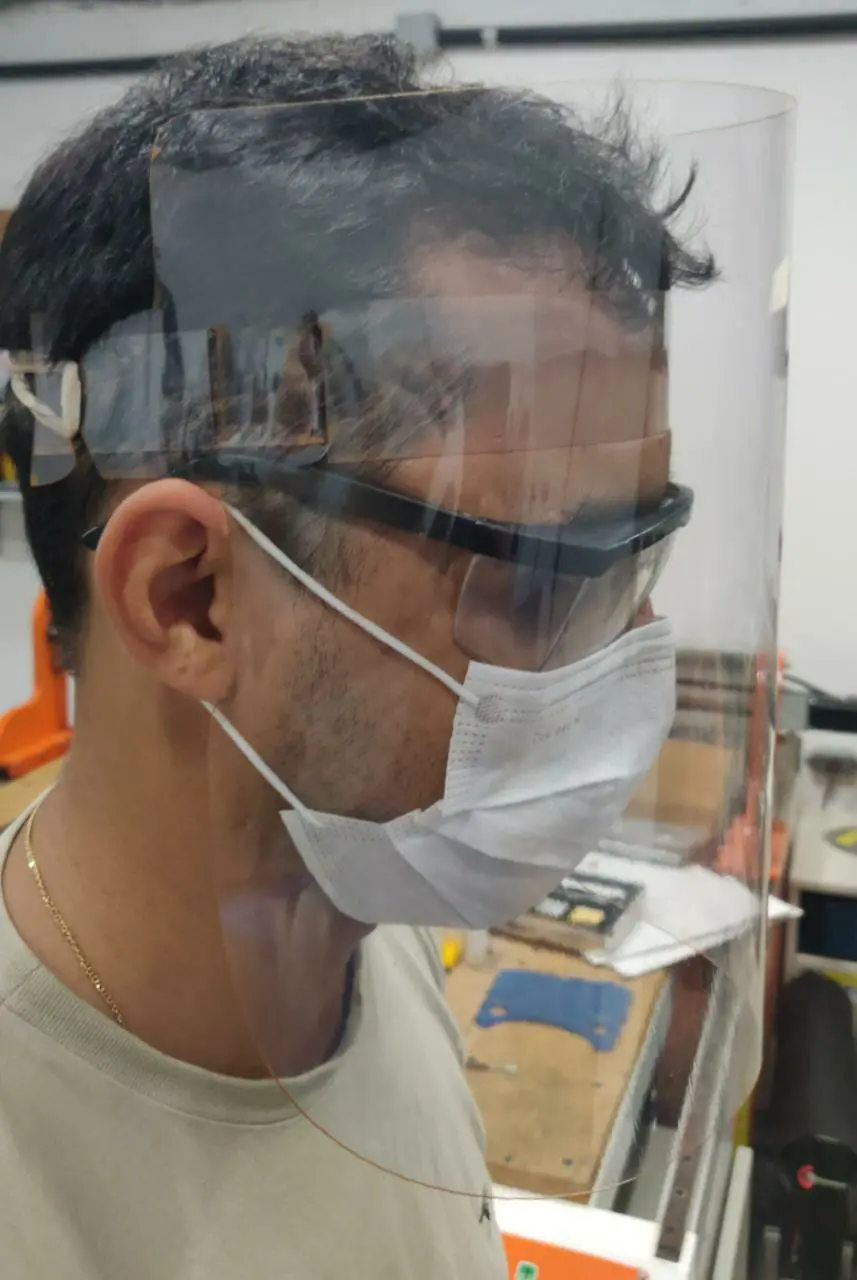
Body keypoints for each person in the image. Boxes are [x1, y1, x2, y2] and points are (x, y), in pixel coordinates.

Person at [0, 33, 712, 1279]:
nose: (630, 657)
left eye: (636, 562)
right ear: (188, 599)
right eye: (545, 582)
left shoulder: (354, 922)